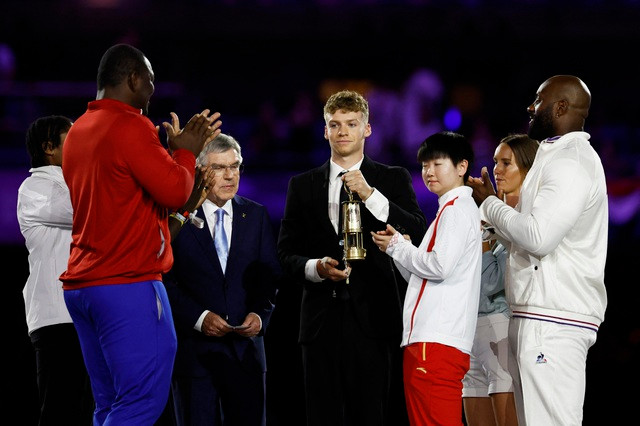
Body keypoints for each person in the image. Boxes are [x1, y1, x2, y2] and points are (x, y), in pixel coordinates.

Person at [59, 43, 221, 424]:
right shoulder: (131, 124)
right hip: (126, 284)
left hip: (83, 286)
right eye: (150, 81)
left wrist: (167, 155)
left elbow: (133, 200)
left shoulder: (80, 129)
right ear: (133, 79)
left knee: (110, 405)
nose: (152, 91)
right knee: (140, 404)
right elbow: (175, 191)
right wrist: (184, 152)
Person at [277, 89, 427, 426]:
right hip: (319, 323)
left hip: (375, 320)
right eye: (335, 124)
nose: (343, 131)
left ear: (367, 129)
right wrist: (315, 268)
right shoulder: (301, 185)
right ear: (325, 131)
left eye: (351, 123)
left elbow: (416, 228)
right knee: (322, 416)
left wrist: (371, 195)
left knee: (372, 415)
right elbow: (286, 252)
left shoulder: (391, 178)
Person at [467, 75, 608, 425]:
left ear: (560, 107)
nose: (530, 107)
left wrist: (490, 206)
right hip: (539, 316)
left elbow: (538, 237)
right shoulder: (555, 155)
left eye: (538, 100)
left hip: (555, 320)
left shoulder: (572, 161)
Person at [164, 133, 281, 426]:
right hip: (195, 357)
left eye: (235, 166)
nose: (230, 175)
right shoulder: (177, 218)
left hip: (246, 356)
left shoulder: (255, 215)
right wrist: (200, 318)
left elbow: (269, 277)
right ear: (200, 171)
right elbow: (164, 279)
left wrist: (259, 314)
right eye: (219, 167)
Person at [371, 131, 482, 426]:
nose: (428, 172)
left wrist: (399, 247)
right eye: (424, 165)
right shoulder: (449, 209)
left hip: (435, 343)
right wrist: (400, 250)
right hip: (433, 341)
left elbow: (439, 267)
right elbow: (425, 277)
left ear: (461, 167)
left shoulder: (456, 211)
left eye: (437, 164)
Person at [17, 115, 94, 425]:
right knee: (60, 412)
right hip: (56, 318)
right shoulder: (35, 187)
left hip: (86, 314)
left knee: (88, 409)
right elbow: (88, 211)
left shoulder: (73, 181)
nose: (81, 144)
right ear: (49, 148)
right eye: (71, 138)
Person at [462, 134, 539, 426]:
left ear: (529, 170)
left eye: (506, 163)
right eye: (495, 162)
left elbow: (490, 283)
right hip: (470, 333)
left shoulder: (530, 221)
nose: (497, 170)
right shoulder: (485, 217)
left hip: (502, 330)